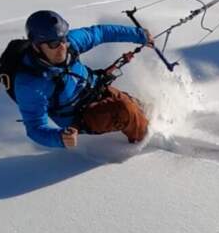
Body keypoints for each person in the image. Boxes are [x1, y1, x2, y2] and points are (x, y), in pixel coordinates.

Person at [14, 10, 153, 149]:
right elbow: (35, 127)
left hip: (96, 89)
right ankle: (148, 143)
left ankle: (149, 124)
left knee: (142, 108)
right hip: (80, 117)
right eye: (53, 44)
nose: (62, 47)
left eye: (63, 40)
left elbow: (100, 33)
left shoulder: (70, 44)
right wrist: (60, 137)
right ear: (36, 46)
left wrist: (140, 35)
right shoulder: (30, 83)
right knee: (125, 110)